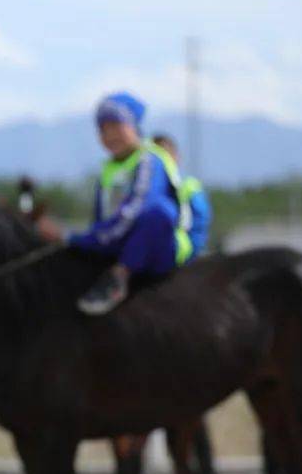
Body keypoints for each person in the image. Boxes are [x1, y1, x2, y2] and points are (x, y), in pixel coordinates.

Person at [69, 92, 193, 315]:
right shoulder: (108, 169)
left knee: (160, 211)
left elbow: (134, 212)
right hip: (118, 241)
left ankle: (118, 278)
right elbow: (100, 218)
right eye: (103, 129)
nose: (110, 135)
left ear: (134, 126)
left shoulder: (150, 160)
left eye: (116, 126)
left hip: (157, 245)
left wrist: (84, 240)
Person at [151, 133, 212, 258]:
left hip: (180, 258)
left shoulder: (190, 187)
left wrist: (190, 257)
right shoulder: (143, 190)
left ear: (176, 157)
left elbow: (199, 228)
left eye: (165, 155)